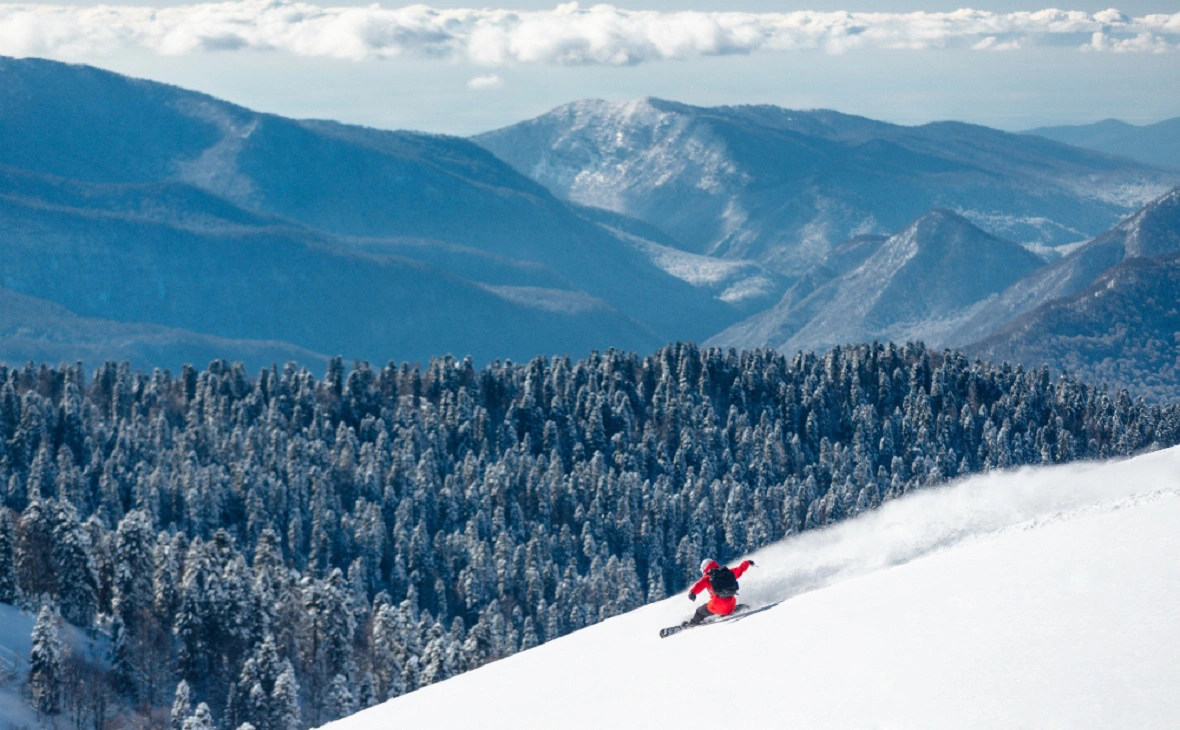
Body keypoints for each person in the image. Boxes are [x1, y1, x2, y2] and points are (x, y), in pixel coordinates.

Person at [685, 558, 754, 626]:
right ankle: (728, 612)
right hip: (731, 604)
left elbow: (699, 585)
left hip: (716, 606)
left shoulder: (708, 577)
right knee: (727, 605)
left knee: (699, 611)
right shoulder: (728, 573)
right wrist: (747, 563)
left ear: (704, 569)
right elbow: (739, 570)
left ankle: (692, 624)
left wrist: (692, 593)